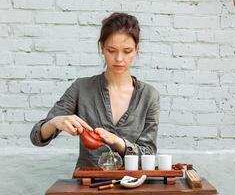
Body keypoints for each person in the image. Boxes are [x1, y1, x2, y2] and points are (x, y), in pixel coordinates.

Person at [30, 12, 160, 168]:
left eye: (127, 51)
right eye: (111, 50)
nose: (119, 59)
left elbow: (148, 154)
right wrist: (54, 122)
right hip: (87, 185)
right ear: (102, 48)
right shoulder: (81, 88)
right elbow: (37, 138)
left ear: (136, 50)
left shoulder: (149, 96)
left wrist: (118, 142)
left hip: (133, 184)